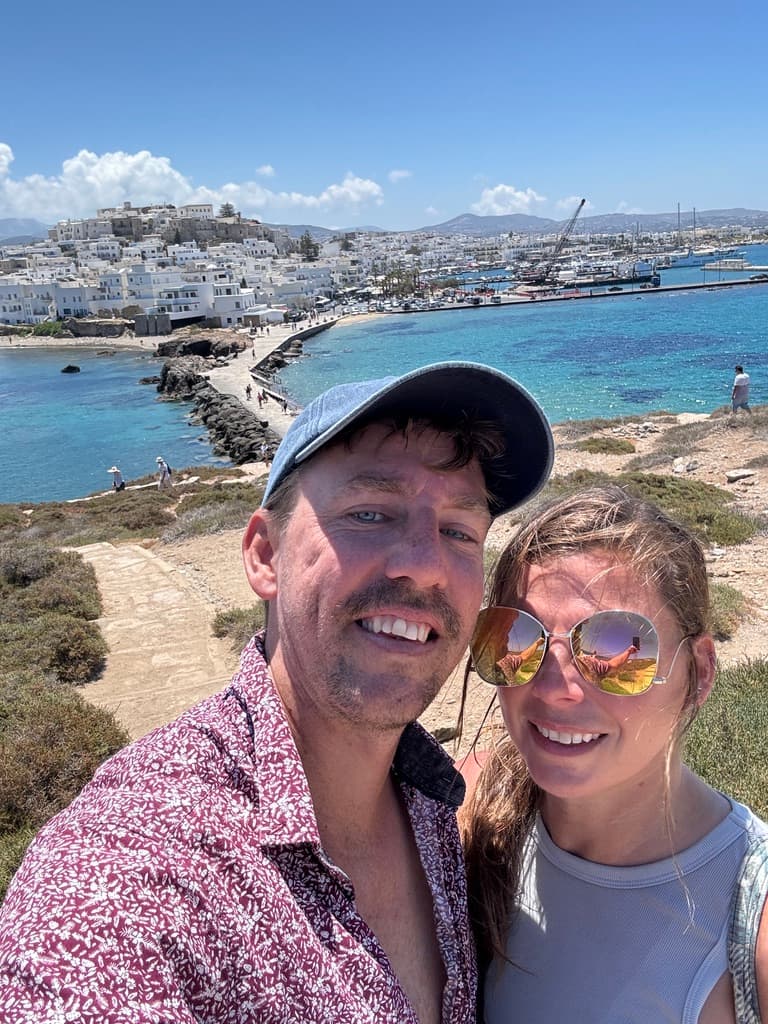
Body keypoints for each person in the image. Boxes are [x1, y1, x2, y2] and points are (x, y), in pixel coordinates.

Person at [0, 361, 554, 1023]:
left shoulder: (433, 809)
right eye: (371, 513)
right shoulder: (122, 882)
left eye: (460, 531)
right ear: (265, 555)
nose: (426, 565)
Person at [461, 486, 768, 1022]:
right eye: (516, 639)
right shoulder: (472, 807)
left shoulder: (750, 920)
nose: (555, 688)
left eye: (614, 649)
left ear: (699, 673)